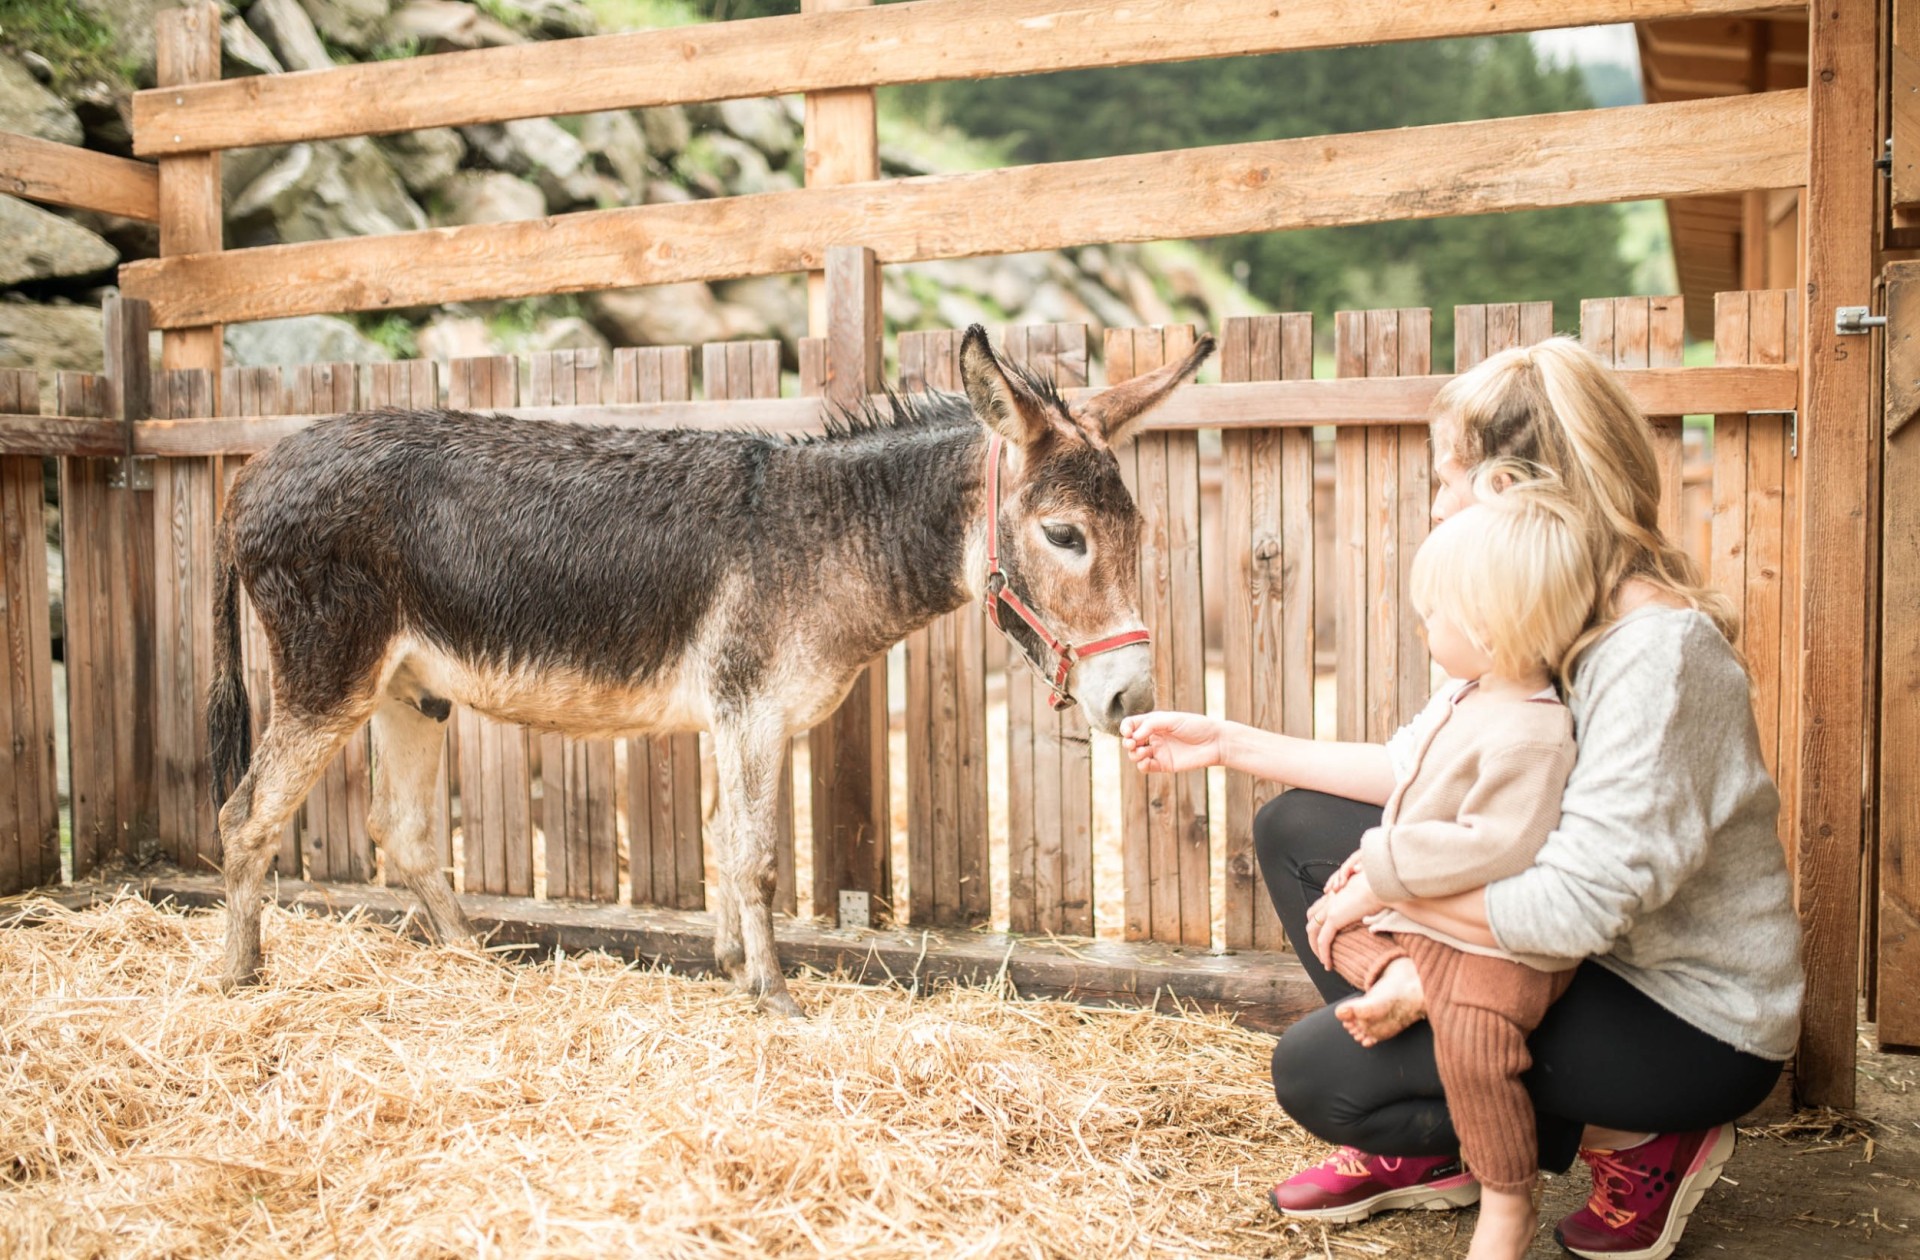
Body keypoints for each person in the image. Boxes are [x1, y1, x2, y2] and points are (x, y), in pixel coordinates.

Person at [1119, 338, 1803, 1260]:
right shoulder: (1543, 617)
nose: (1434, 503)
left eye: (1444, 478)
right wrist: (1230, 743)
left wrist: (1391, 892)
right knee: (1297, 828)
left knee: (1326, 1079)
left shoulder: (1657, 656)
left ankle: (1642, 1141)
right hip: (1562, 961)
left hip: (1676, 1014)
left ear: (1510, 490)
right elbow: (1418, 770)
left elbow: (1575, 909)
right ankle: (1448, 1147)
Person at [1308, 483, 1592, 1260]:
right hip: (1430, 921)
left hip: (1499, 950)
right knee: (1330, 925)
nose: (1425, 626)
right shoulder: (1470, 695)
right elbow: (1414, 792)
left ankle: (1507, 1199)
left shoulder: (1532, 732)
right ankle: (1403, 977)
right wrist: (1377, 872)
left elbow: (1494, 847)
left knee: (1473, 1046)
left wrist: (1381, 860)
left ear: (1495, 629)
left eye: (1436, 615)